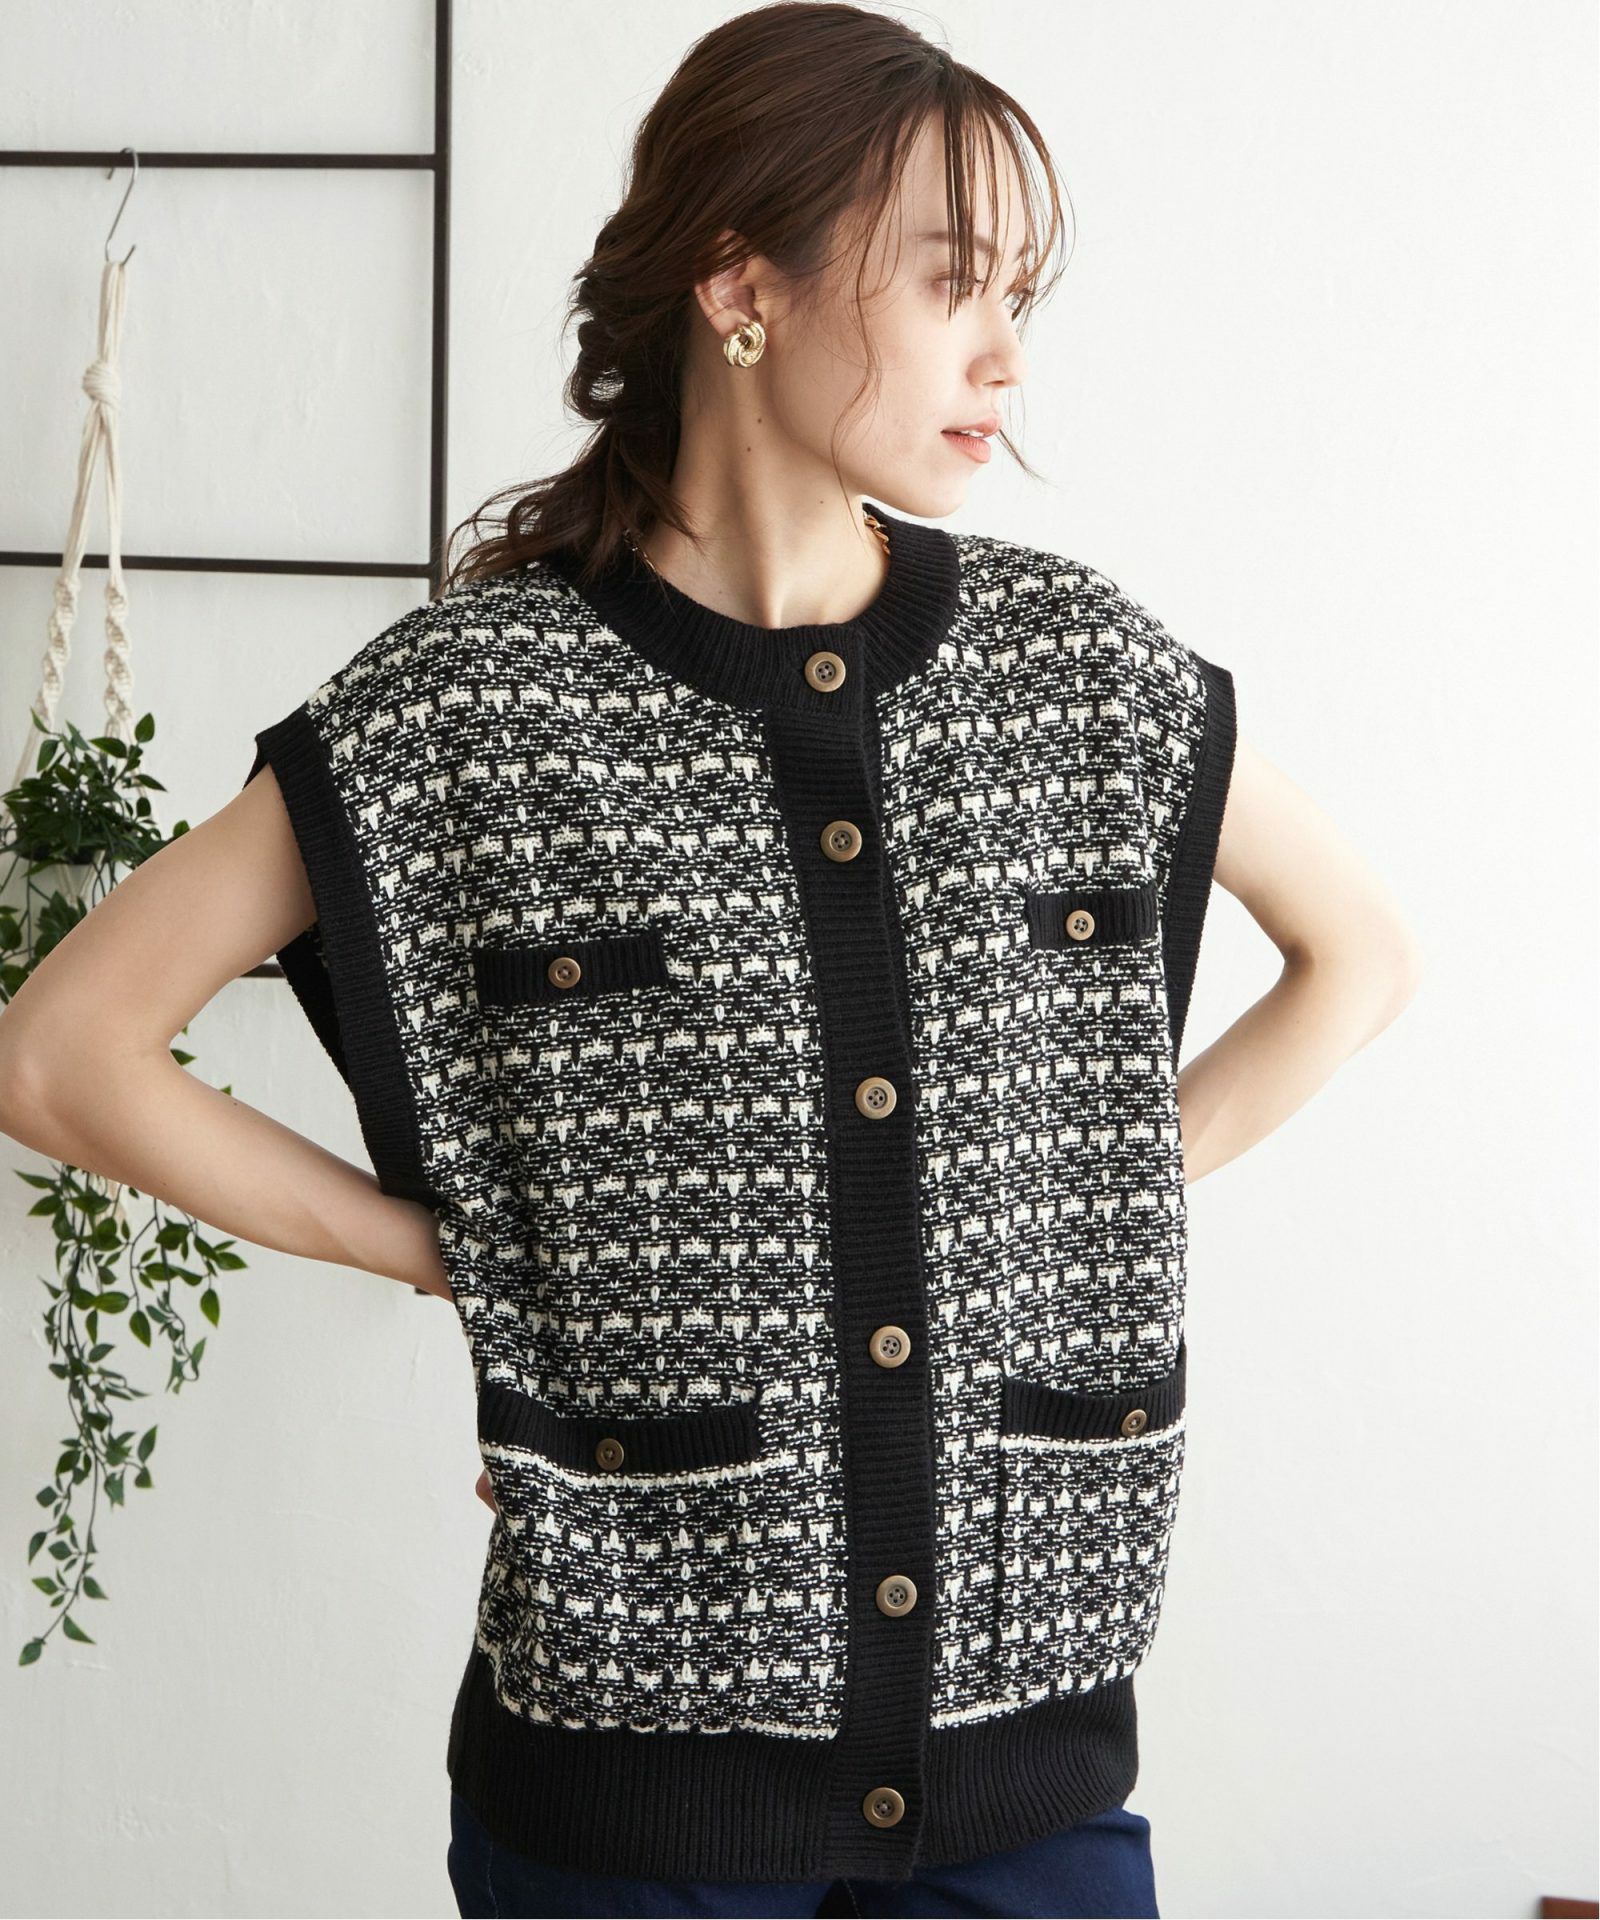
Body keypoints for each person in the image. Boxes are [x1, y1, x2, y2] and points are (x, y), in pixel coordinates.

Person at [0, 5, 1420, 1917]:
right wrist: (450, 1252)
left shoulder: (1079, 674)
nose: (1007, 353)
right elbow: (61, 1055)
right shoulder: (471, 710)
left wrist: (1079, 1186)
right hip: (632, 1797)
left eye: (1019, 294)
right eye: (952, 282)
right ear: (742, 288)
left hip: (1028, 1764)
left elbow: (1360, 956)